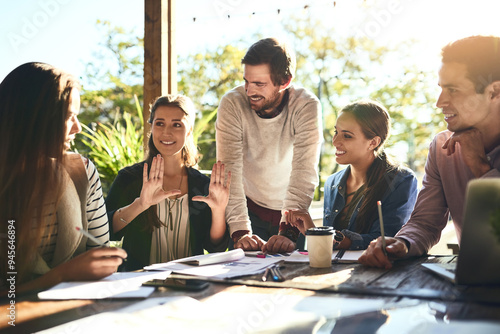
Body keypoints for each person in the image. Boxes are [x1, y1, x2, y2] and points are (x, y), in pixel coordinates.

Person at [359, 35, 500, 269]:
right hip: (473, 285)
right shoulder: (442, 148)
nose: (439, 102)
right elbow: (425, 222)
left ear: (494, 91)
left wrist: (480, 167)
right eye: (441, 89)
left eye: (453, 90)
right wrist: (402, 243)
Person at [0, 62, 126, 295]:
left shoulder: (83, 172)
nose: (77, 128)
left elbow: (100, 257)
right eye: (68, 117)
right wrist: (61, 275)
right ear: (33, 119)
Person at [216, 37, 323, 253]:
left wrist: (289, 231)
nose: (248, 91)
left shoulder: (306, 105)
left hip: (292, 215)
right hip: (247, 208)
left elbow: (304, 170)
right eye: (246, 81)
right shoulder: (232, 103)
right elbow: (230, 171)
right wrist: (240, 231)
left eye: (259, 84)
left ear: (285, 82)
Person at [106, 94, 231, 271]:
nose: (167, 132)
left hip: (190, 282)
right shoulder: (130, 178)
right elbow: (108, 230)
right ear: (152, 127)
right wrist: (141, 204)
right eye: (160, 123)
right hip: (138, 285)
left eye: (177, 124)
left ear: (189, 130)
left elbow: (215, 247)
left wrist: (218, 210)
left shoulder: (202, 184)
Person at [286, 100, 418, 250]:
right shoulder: (332, 183)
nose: (335, 141)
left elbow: (389, 240)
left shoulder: (400, 180)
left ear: (373, 142)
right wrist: (313, 232)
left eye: (347, 136)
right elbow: (331, 247)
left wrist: (331, 238)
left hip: (378, 271)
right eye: (336, 132)